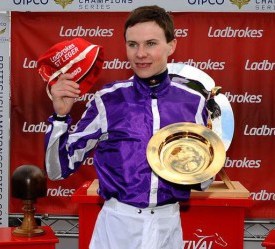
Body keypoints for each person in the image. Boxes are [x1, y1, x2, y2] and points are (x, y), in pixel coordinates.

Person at [43, 5, 214, 249]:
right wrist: (60, 117)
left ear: (171, 46)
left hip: (168, 226)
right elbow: (58, 170)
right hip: (117, 227)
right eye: (133, 44)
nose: (140, 53)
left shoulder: (194, 101)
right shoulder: (108, 100)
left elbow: (203, 180)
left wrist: (203, 165)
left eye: (151, 43)